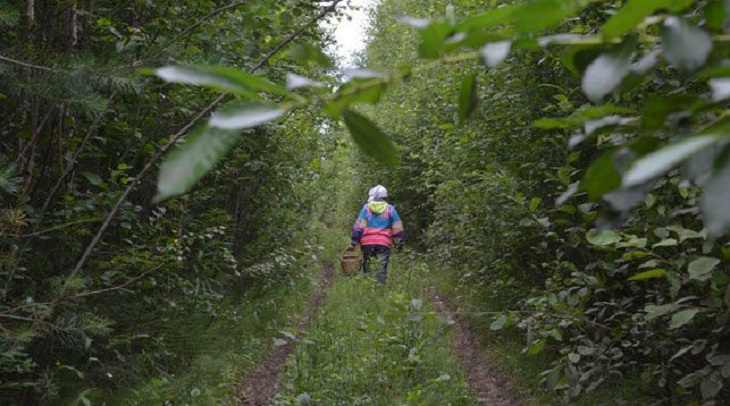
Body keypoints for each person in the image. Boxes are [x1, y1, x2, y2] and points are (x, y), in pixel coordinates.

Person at [350, 185, 404, 284]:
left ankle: (367, 286)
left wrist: (354, 240)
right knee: (381, 267)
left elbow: (359, 226)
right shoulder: (390, 209)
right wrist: (399, 243)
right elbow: (397, 228)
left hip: (367, 243)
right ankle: (380, 288)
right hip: (383, 243)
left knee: (367, 265)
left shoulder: (366, 208)